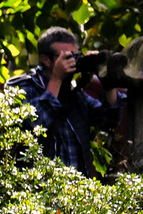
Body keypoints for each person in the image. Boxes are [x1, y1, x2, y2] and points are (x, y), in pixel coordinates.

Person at [8, 27, 121, 176]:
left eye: (76, 55)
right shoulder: (23, 87)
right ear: (46, 60)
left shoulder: (73, 92)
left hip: (76, 191)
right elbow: (37, 124)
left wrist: (108, 82)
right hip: (39, 189)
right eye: (67, 56)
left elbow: (109, 121)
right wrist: (56, 79)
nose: (73, 61)